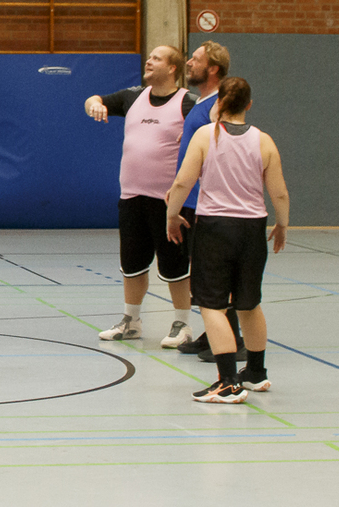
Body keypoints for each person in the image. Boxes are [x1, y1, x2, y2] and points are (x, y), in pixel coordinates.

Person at [166, 76, 289, 404]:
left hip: (216, 228)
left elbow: (182, 182)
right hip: (253, 229)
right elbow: (278, 190)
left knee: (212, 304)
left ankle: (228, 382)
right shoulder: (264, 141)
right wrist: (282, 225)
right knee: (249, 302)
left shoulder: (207, 135)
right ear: (248, 104)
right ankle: (256, 372)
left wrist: (172, 214)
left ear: (219, 104)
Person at [84, 45, 196, 345]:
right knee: (132, 263)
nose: (149, 61)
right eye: (149, 57)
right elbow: (93, 99)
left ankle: (181, 324)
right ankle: (131, 321)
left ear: (172, 68)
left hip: (169, 202)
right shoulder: (133, 96)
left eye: (156, 58)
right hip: (132, 196)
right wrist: (93, 104)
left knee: (174, 265)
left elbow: (211, 134)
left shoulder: (189, 103)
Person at [173, 41, 246, 359]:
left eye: (196, 59)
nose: (189, 63)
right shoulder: (200, 104)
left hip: (207, 203)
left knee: (213, 275)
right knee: (200, 274)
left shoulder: (218, 106)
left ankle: (234, 342)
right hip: (190, 200)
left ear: (213, 68)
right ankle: (213, 333)